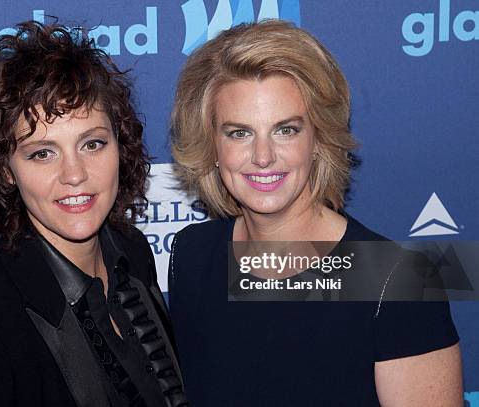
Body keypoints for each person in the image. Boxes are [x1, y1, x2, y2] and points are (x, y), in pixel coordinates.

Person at [169, 20, 462, 406]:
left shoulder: (397, 281)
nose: (262, 157)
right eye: (239, 132)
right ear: (211, 144)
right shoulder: (192, 255)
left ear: (319, 137)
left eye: (285, 130)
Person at [0, 21, 187, 407]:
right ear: (6, 170)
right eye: (42, 153)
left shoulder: (134, 253)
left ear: (119, 147)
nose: (74, 174)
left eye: (92, 144)